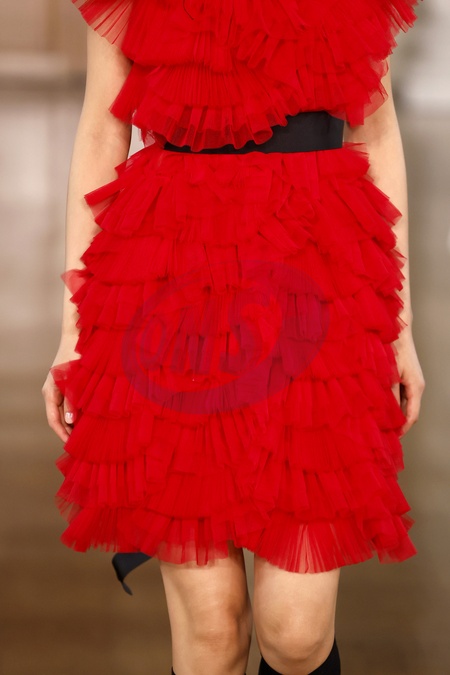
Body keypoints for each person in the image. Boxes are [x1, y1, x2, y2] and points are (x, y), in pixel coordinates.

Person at [42, 1, 425, 673]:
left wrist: (401, 326)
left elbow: (377, 127)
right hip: (172, 273)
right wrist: (75, 330)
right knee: (213, 628)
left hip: (320, 276)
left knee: (296, 632)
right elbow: (103, 127)